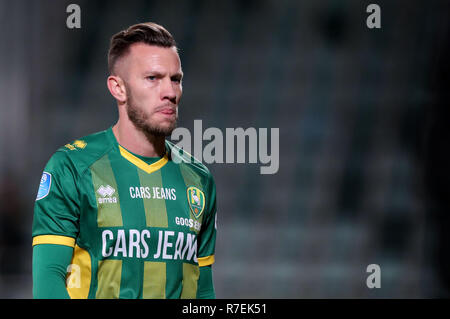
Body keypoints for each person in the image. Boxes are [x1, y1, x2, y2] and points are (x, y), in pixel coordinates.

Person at [32, 22, 217, 299]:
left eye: (175, 79)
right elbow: (48, 284)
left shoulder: (199, 179)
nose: (170, 92)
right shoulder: (71, 167)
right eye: (153, 78)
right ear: (118, 88)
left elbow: (202, 291)